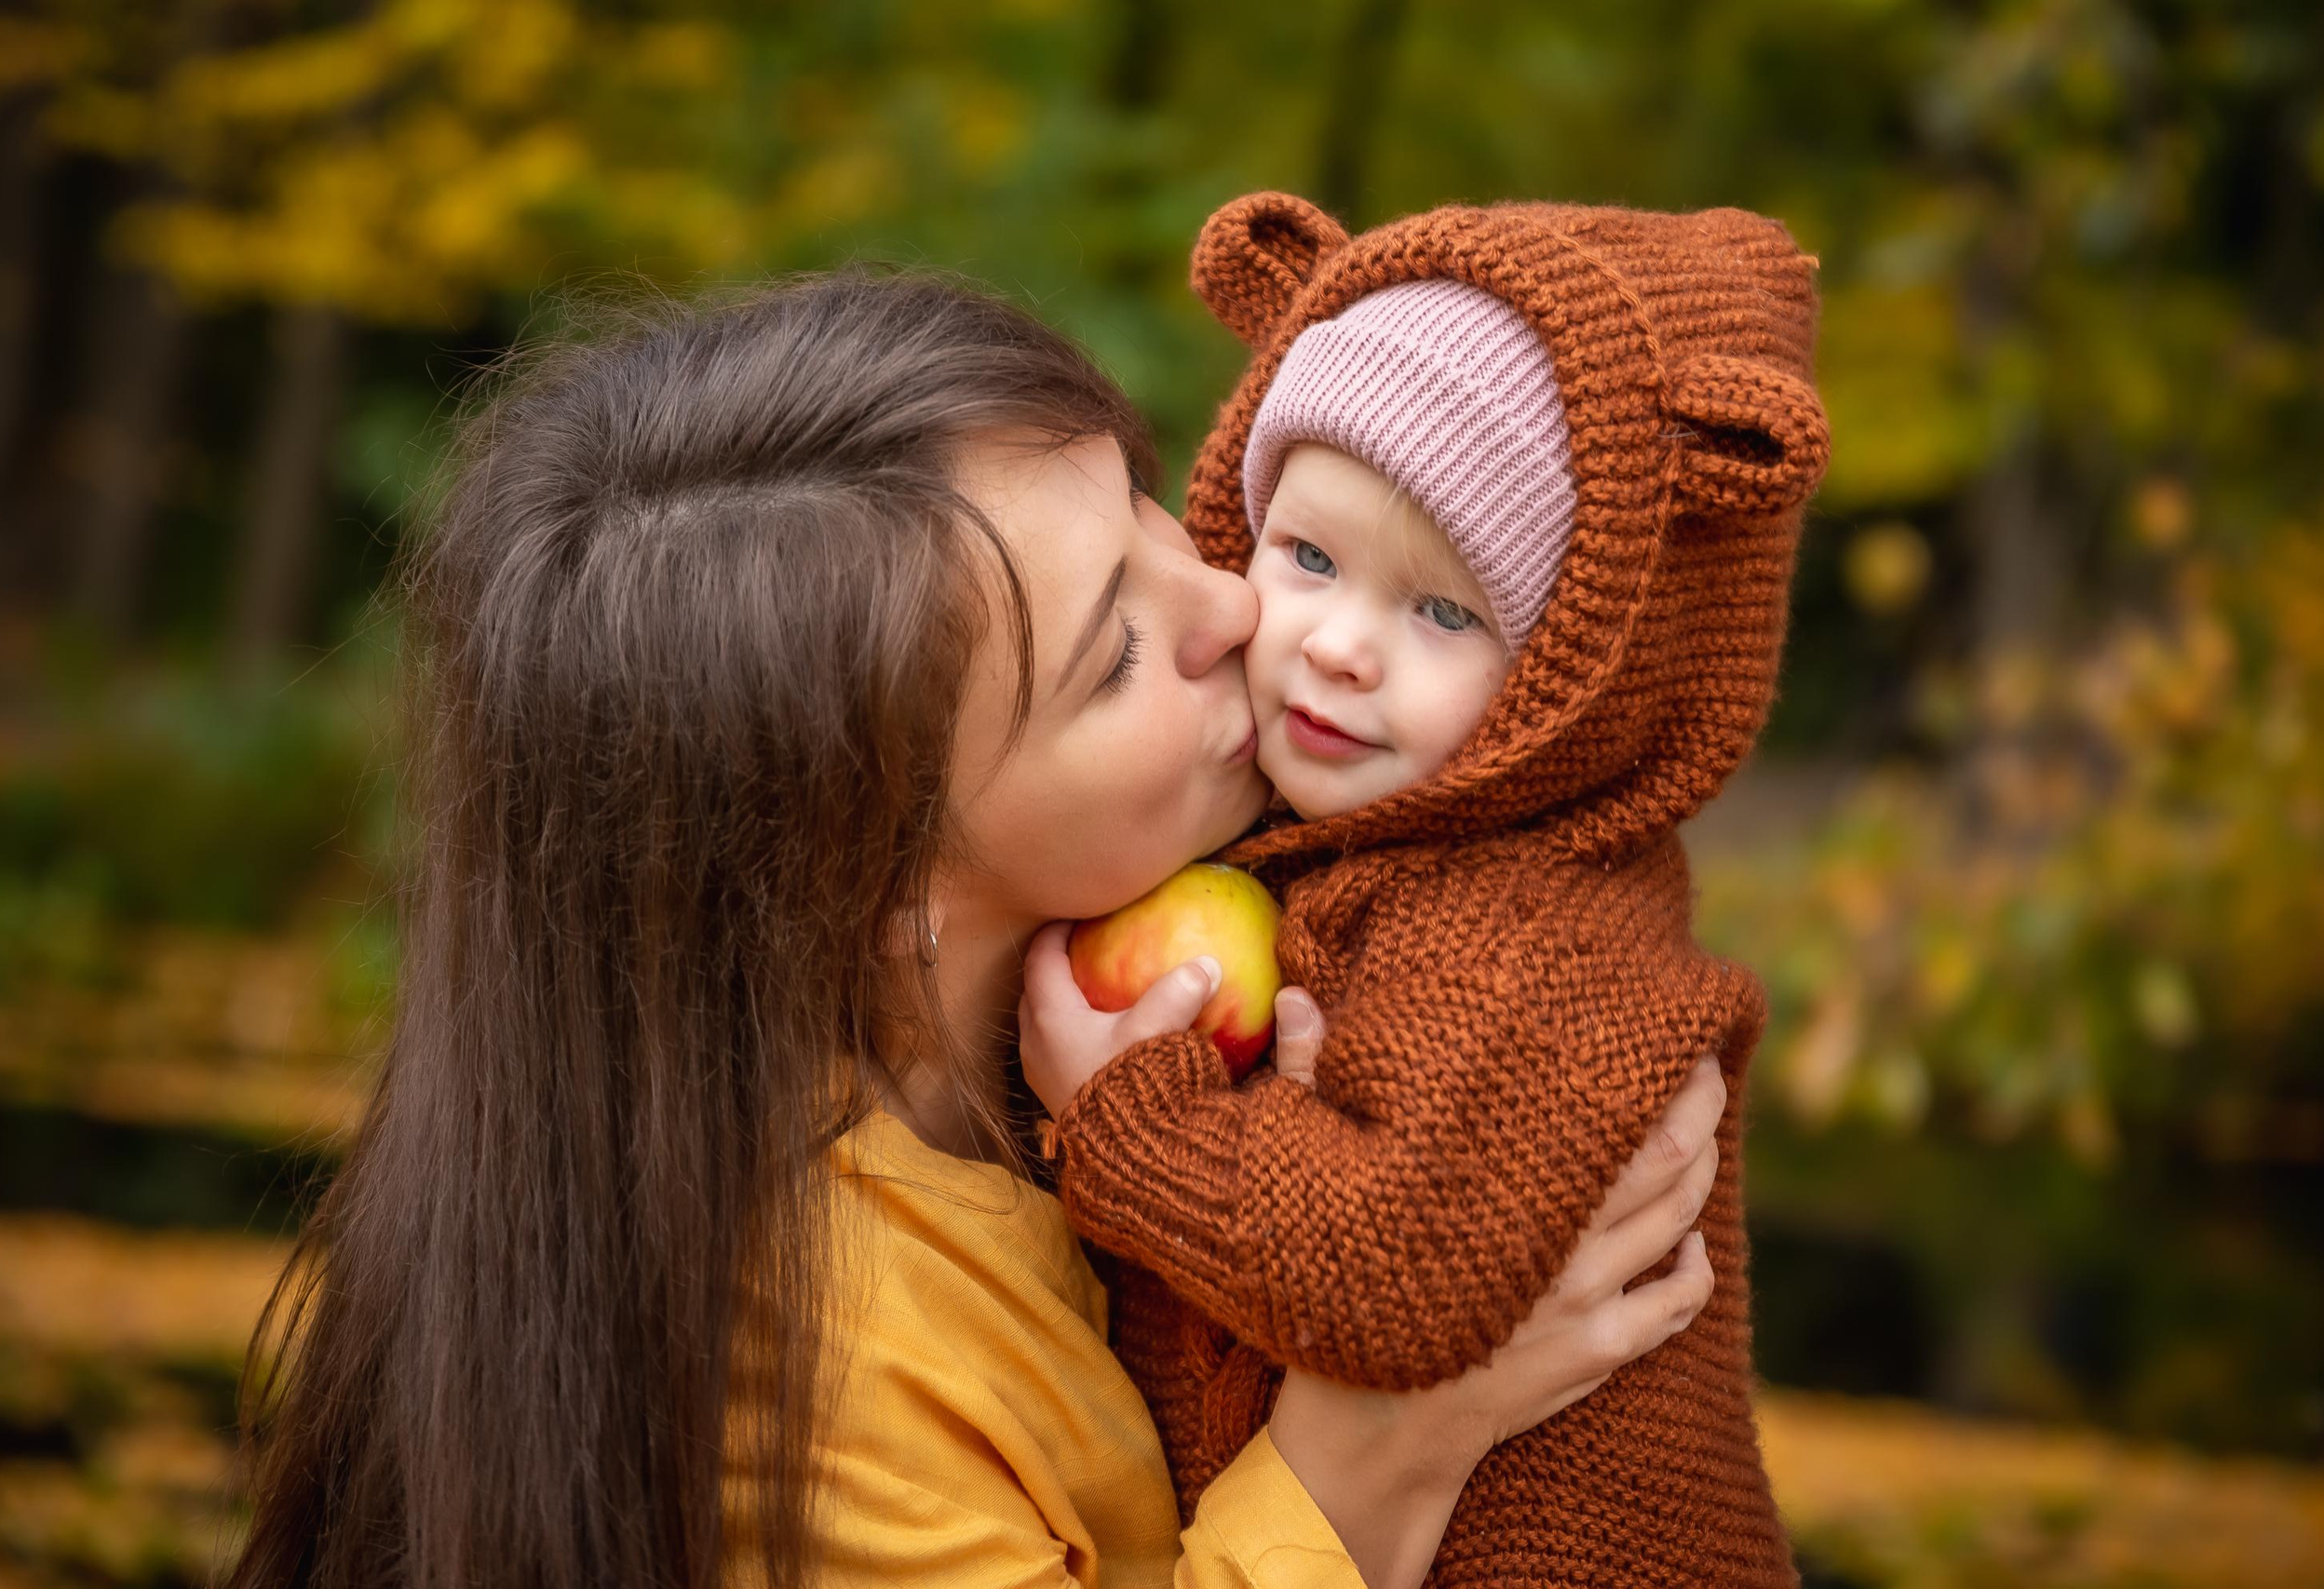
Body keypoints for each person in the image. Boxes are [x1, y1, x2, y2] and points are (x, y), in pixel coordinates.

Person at [223, 269, 1723, 1589]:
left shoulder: (1168, 987)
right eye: (1118, 652)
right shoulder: (816, 1376)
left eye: (1150, 511)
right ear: (865, 885)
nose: (1237, 604)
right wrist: (1391, 1442)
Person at [1020, 193, 1832, 1585]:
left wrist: (1127, 1119)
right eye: (1310, 557)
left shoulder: (1530, 932)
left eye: (1447, 612)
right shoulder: (1341, 847)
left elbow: (1391, 1276)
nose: (1337, 646)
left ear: (1583, 683)